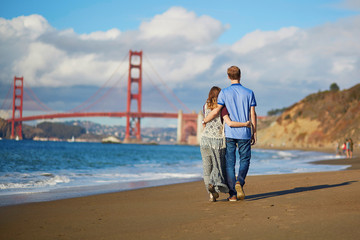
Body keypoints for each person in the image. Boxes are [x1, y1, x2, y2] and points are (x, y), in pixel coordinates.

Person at [203, 66, 257, 202]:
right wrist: (254, 132)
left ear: (228, 77)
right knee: (245, 159)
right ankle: (240, 182)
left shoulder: (224, 93)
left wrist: (205, 120)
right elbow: (252, 114)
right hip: (244, 132)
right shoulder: (249, 92)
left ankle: (232, 194)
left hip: (230, 133)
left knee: (229, 163)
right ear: (240, 75)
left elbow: (216, 112)